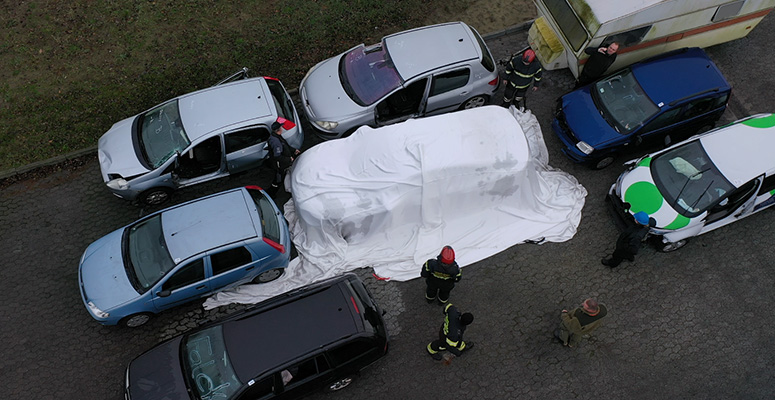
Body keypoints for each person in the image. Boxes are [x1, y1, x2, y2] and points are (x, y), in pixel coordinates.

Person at [267, 119, 301, 197]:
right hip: (279, 165)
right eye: (281, 127)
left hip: (282, 162)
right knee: (278, 178)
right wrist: (289, 159)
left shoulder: (277, 136)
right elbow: (277, 156)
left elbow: (285, 146)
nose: (282, 129)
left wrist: (293, 150)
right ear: (278, 130)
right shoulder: (276, 142)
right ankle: (271, 193)